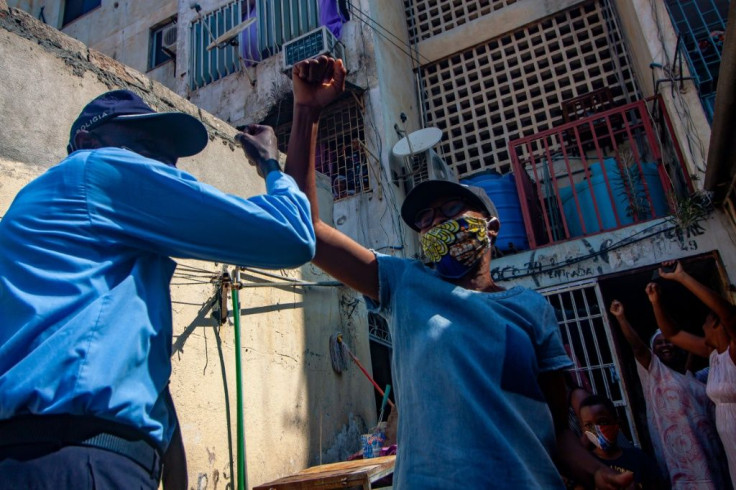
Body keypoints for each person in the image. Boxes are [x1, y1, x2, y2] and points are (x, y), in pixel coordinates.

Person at [283, 55, 634, 489]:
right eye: (426, 220)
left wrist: (597, 471)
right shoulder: (405, 283)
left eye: (451, 210)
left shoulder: (528, 307)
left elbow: (556, 429)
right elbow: (307, 231)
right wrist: (307, 111)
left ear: (491, 227)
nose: (436, 224)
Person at [0, 89, 316, 489]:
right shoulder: (94, 171)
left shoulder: (56, 230)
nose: (162, 170)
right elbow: (292, 236)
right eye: (145, 148)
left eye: (168, 160)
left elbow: (150, 395)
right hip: (80, 462)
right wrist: (272, 165)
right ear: (86, 142)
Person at [610, 298, 729, 489]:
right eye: (659, 343)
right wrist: (621, 318)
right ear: (653, 350)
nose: (666, 345)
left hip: (712, 454)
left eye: (669, 341)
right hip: (683, 461)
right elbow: (639, 348)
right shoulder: (655, 373)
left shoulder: (695, 377)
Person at [647, 260, 736, 485]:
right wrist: (656, 302)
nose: (702, 327)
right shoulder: (713, 354)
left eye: (706, 322)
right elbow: (673, 333)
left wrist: (682, 277)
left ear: (717, 324)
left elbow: (728, 314)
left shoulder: (733, 352)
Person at [578, 394, 665, 489]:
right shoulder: (585, 464)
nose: (596, 430)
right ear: (583, 429)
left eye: (602, 422)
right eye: (588, 425)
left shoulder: (639, 459)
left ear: (618, 423)